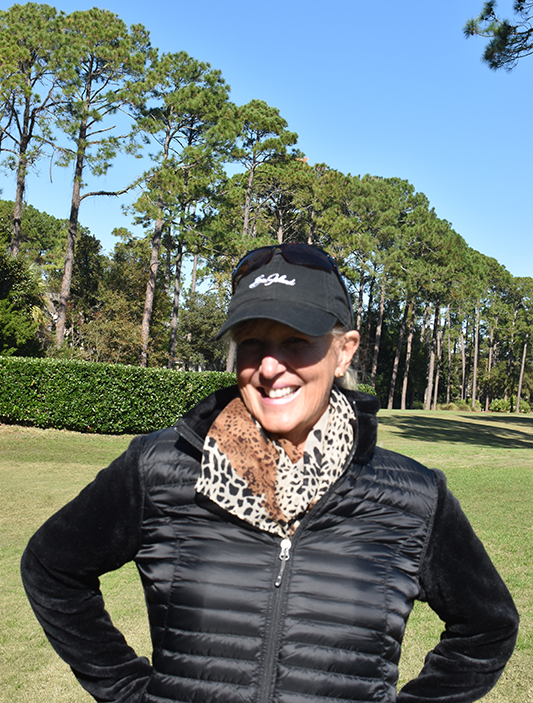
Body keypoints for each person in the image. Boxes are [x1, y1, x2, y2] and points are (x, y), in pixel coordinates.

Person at [21, 243, 518, 703]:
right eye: (252, 342)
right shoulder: (161, 467)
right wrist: (131, 692)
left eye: (297, 341)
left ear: (344, 351)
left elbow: (487, 627)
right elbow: (52, 568)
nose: (270, 367)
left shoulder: (414, 497)